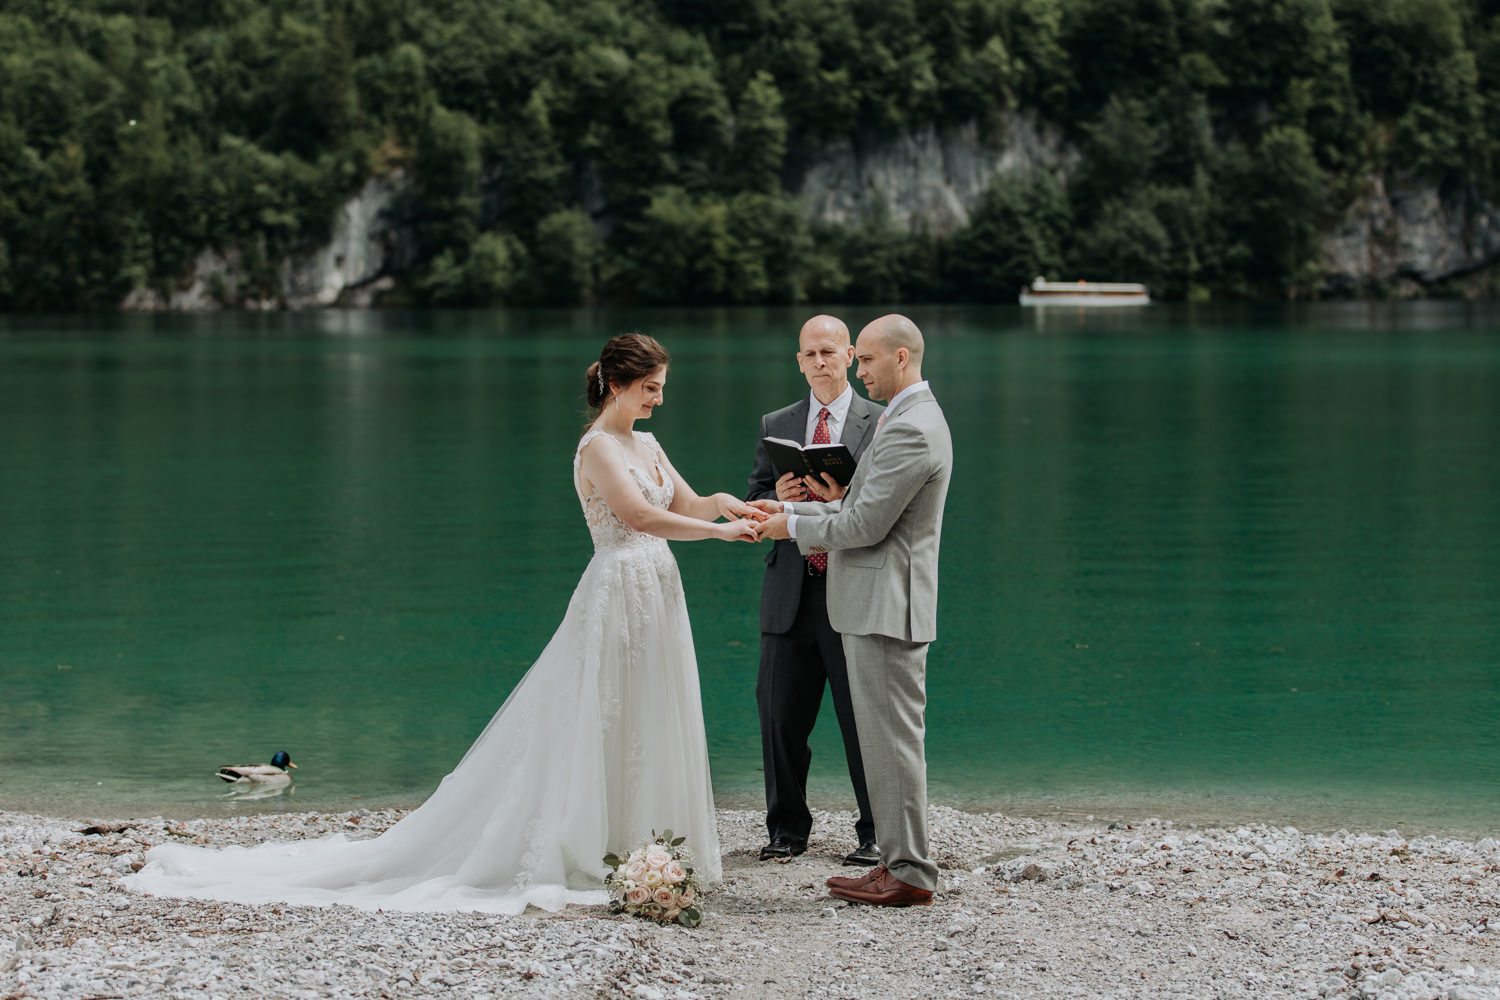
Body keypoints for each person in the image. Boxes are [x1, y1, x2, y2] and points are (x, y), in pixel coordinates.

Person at [127, 333, 762, 914]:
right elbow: (639, 518)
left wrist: (727, 505)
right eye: (651, 388)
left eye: (662, 388)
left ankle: (645, 840)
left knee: (652, 709)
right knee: (602, 710)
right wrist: (719, 533)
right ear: (619, 385)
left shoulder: (646, 443)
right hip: (619, 586)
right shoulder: (596, 447)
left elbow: (683, 502)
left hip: (658, 587)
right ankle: (596, 846)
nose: (658, 399)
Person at [753, 314, 952, 908]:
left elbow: (864, 524)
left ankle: (909, 870)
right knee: (886, 740)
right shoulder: (903, 417)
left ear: (900, 358)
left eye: (864, 360)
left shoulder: (911, 427)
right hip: (876, 602)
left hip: (885, 605)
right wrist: (793, 513)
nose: (855, 370)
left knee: (893, 742)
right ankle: (897, 861)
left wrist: (787, 525)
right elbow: (857, 504)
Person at [745, 315, 883, 866]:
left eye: (829, 351)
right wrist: (775, 492)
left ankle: (874, 831)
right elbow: (754, 497)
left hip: (851, 587)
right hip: (789, 590)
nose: (819, 362)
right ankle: (787, 830)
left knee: (862, 718)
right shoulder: (777, 421)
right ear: (798, 360)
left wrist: (842, 494)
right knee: (778, 714)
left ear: (849, 355)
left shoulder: (880, 419)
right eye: (809, 354)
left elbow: (882, 503)